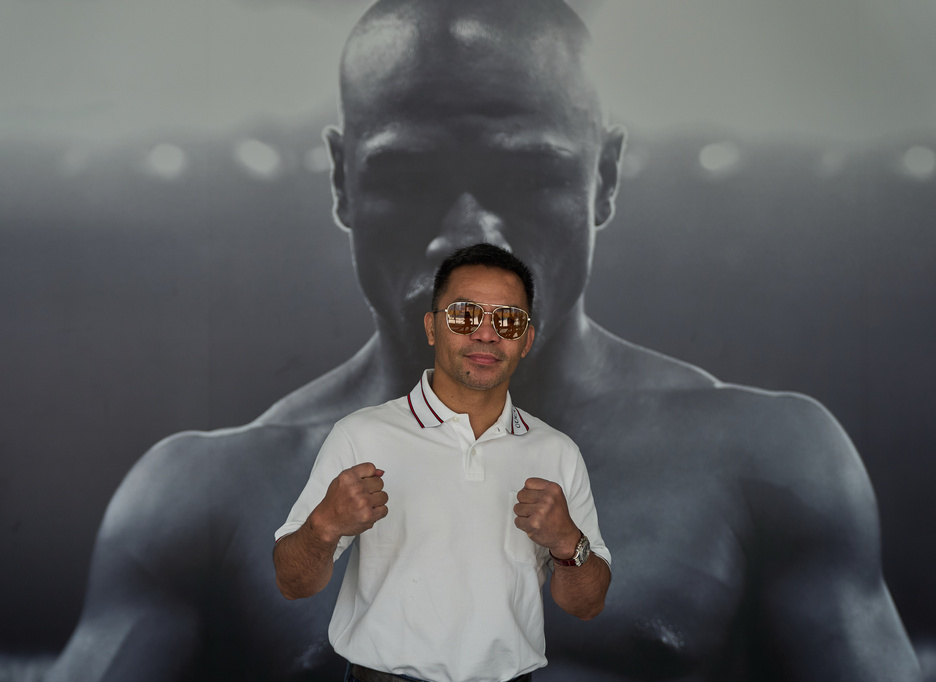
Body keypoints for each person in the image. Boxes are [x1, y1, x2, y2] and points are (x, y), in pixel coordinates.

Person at [46, 0, 923, 680]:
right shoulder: (202, 499)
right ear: (344, 183)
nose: (468, 237)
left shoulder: (769, 463)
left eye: (527, 174)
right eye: (410, 177)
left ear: (603, 180)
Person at [273, 244, 612, 681]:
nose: (486, 335)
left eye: (507, 320)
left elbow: (588, 605)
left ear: (526, 339)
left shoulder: (556, 452)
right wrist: (324, 525)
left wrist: (568, 543)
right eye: (465, 316)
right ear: (433, 328)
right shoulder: (361, 435)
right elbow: (292, 583)